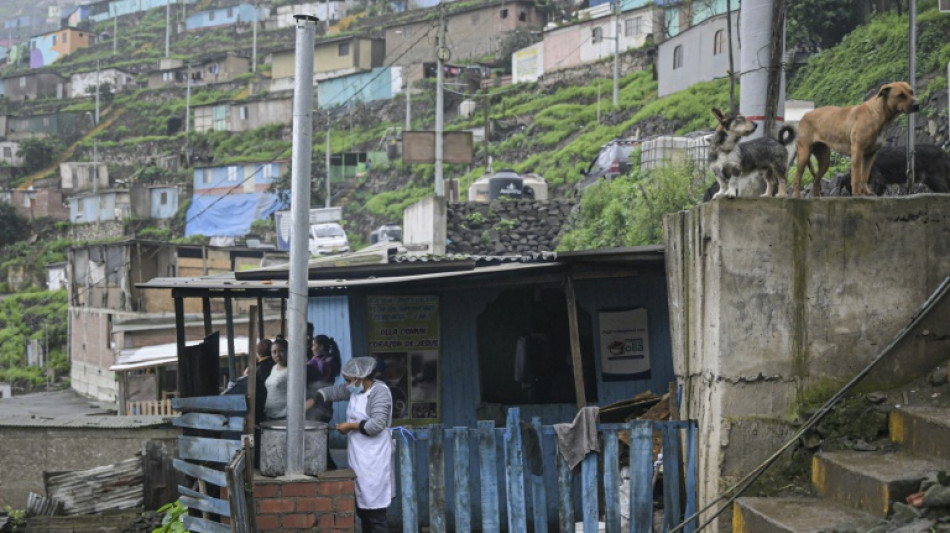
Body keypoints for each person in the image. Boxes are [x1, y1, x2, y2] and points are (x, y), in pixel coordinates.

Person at [316, 357, 393, 532]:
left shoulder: (379, 391)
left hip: (375, 460)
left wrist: (350, 426)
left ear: (361, 377)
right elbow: (336, 392)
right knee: (363, 511)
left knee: (375, 514)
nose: (347, 385)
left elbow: (377, 424)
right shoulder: (356, 390)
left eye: (350, 381)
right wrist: (315, 396)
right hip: (359, 458)